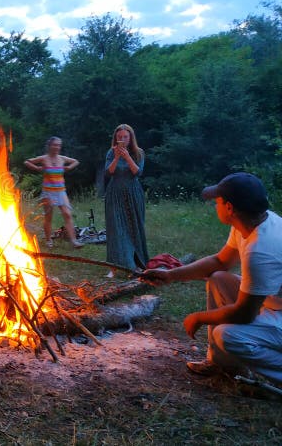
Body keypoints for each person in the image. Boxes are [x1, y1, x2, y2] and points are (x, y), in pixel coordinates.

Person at [141, 173, 282, 384]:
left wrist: (198, 318)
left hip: (277, 311)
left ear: (230, 208)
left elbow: (244, 313)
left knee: (227, 336)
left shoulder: (260, 248)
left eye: (217, 201)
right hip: (272, 301)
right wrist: (170, 275)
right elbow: (220, 262)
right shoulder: (251, 222)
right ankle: (221, 363)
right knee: (218, 278)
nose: (215, 205)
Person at [24, 137, 83, 249]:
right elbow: (26, 162)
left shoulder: (62, 158)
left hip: (61, 191)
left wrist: (69, 167)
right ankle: (48, 240)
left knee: (67, 214)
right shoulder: (44, 158)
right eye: (55, 145)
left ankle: (74, 240)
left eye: (59, 145)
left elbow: (76, 161)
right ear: (49, 146)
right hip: (48, 192)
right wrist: (37, 168)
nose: (57, 147)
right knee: (48, 216)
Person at [104, 124, 148, 273]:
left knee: (134, 226)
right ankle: (113, 267)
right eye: (119, 137)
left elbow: (137, 172)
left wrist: (127, 157)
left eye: (125, 137)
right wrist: (116, 157)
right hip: (115, 194)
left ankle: (135, 263)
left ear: (130, 138)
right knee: (115, 229)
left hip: (133, 193)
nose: (122, 139)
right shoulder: (111, 152)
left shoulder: (138, 152)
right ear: (116, 138)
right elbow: (109, 172)